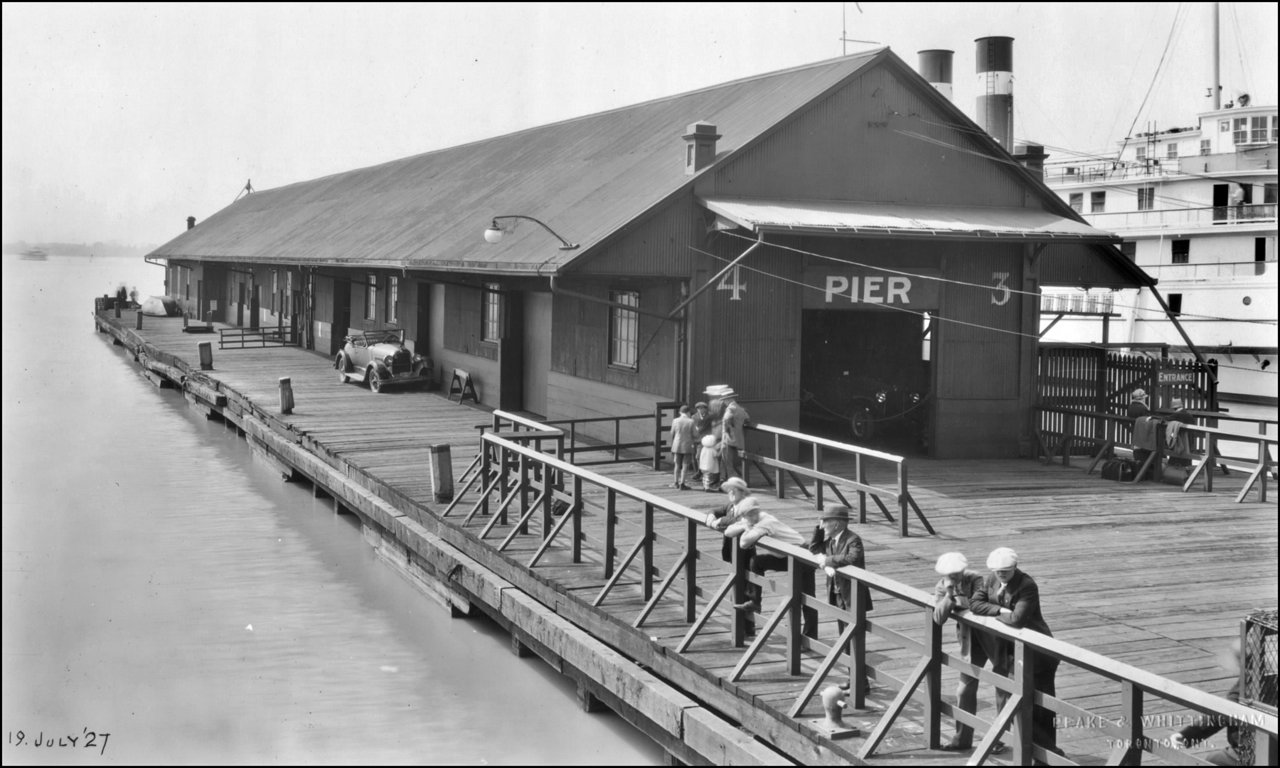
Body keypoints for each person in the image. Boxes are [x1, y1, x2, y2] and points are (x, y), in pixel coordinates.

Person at [969, 547, 1063, 763]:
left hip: (1037, 654)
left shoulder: (1027, 585)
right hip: (1008, 652)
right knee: (1008, 697)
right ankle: (1036, 750)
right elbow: (975, 603)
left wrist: (994, 610)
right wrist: (1000, 611)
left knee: (1040, 707)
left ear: (1015, 568)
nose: (1001, 575)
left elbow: (1018, 619)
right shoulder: (992, 578)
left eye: (1006, 571)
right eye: (997, 571)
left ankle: (1048, 754)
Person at [932, 552, 1006, 754]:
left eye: (957, 574)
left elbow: (976, 606)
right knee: (963, 691)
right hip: (970, 641)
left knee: (1003, 687)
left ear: (963, 570)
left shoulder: (976, 579)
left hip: (993, 638)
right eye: (950, 575)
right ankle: (962, 739)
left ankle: (999, 738)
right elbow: (938, 618)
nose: (954, 578)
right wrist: (949, 595)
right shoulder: (942, 585)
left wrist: (956, 600)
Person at [1171, 638, 1277, 766]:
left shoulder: (1242, 690)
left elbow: (1219, 717)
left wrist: (1186, 736)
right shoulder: (1272, 680)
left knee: (1214, 759)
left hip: (1252, 752)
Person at [809, 506, 873, 691]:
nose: (824, 525)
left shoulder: (853, 539)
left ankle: (861, 683)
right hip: (837, 595)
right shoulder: (830, 540)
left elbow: (853, 558)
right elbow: (813, 547)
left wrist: (828, 561)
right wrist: (817, 528)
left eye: (826, 522)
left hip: (852, 597)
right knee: (845, 640)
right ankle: (855, 680)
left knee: (854, 639)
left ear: (836, 523)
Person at [722, 496, 806, 628]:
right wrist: (746, 525)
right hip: (786, 555)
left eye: (754, 513)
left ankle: (802, 633)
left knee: (804, 596)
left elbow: (744, 543)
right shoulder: (749, 521)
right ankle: (755, 602)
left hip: (801, 554)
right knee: (756, 562)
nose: (752, 517)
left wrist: (746, 528)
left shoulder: (766, 521)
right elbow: (728, 532)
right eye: (748, 515)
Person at [719, 389, 750, 481]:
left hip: (728, 438)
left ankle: (732, 480)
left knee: (726, 460)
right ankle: (723, 478)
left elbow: (726, 419)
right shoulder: (740, 409)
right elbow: (747, 418)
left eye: (724, 400)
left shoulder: (730, 409)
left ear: (729, 399)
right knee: (725, 460)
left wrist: (726, 430)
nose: (724, 402)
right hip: (737, 438)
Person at [669, 404, 696, 490]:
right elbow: (695, 434)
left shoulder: (675, 420)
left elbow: (672, 433)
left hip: (677, 445)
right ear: (688, 412)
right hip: (687, 446)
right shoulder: (691, 421)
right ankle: (682, 484)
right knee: (685, 465)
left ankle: (675, 482)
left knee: (677, 465)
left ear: (680, 412)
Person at [690, 401, 712, 482]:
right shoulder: (694, 417)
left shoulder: (709, 416)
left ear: (705, 409)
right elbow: (692, 427)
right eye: (698, 408)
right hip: (696, 439)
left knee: (699, 456)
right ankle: (698, 472)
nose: (700, 410)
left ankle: (700, 472)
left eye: (702, 408)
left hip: (706, 439)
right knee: (696, 457)